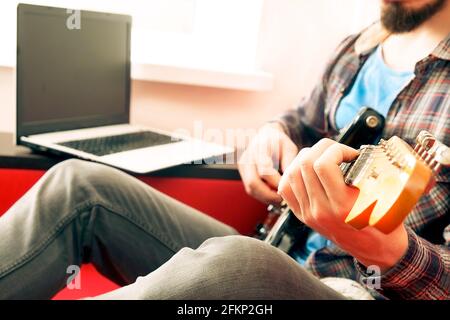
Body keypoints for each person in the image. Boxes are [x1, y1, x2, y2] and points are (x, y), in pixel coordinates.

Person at [0, 0, 448, 300]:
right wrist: (271, 133)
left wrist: (390, 253)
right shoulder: (357, 49)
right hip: (279, 248)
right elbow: (301, 121)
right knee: (81, 186)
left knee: (243, 263)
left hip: (355, 289)